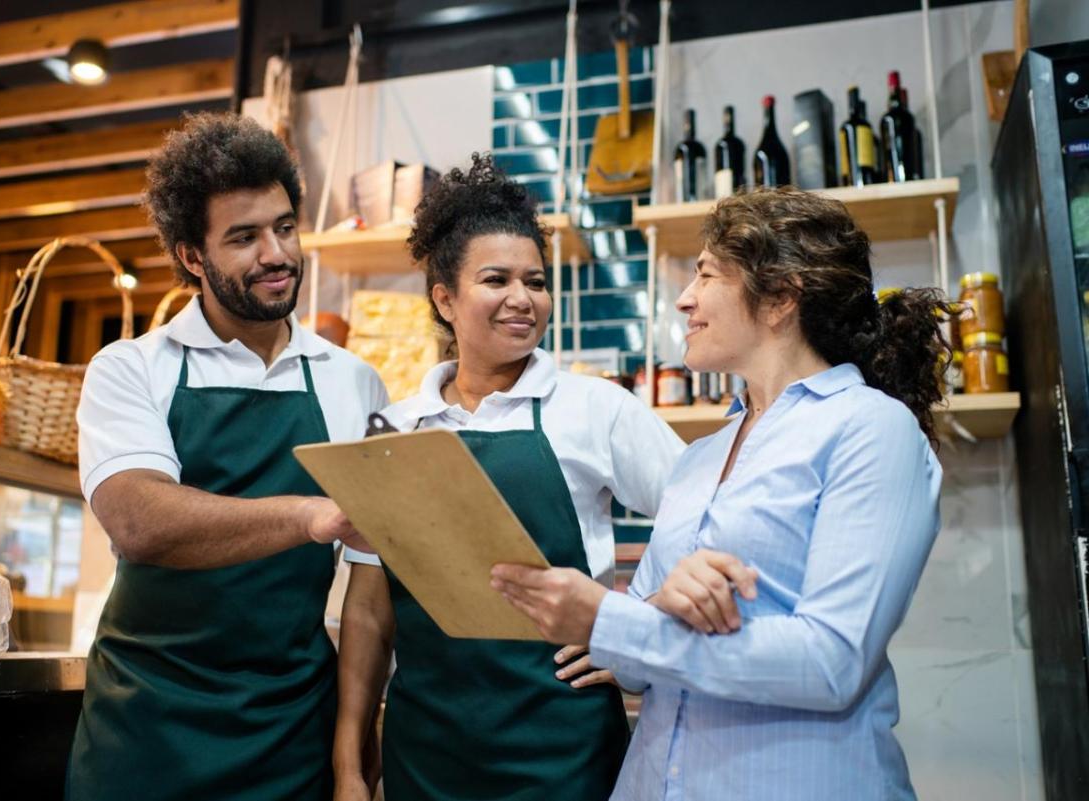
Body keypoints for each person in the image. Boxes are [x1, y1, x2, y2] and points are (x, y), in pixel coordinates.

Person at [493, 186, 948, 800]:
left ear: (782, 296)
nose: (684, 299)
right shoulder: (702, 458)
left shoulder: (870, 428)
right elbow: (630, 666)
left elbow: (832, 662)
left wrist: (611, 618)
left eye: (705, 275)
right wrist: (653, 611)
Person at [333, 153, 686, 801]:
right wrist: (349, 760)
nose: (523, 299)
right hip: (427, 751)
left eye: (537, 280)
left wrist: (638, 625)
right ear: (445, 298)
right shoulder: (395, 426)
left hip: (562, 749)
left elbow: (710, 515)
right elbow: (369, 608)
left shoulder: (594, 409)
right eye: (496, 279)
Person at [66, 113, 388, 801]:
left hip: (289, 730)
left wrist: (350, 762)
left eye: (284, 227)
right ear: (191, 256)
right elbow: (139, 520)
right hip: (147, 728)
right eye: (243, 237)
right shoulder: (131, 368)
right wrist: (308, 515)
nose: (276, 253)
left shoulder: (351, 382)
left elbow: (370, 587)